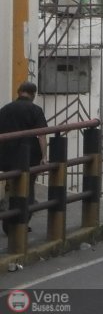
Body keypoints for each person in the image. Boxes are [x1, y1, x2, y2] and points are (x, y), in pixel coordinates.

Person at [0, 81, 48, 232]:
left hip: (6, 156)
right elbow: (41, 135)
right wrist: (44, 156)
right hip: (29, 157)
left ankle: (8, 220)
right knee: (27, 189)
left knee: (11, 185)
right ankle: (21, 222)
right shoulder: (35, 110)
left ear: (18, 92)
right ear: (33, 94)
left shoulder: (5, 110)